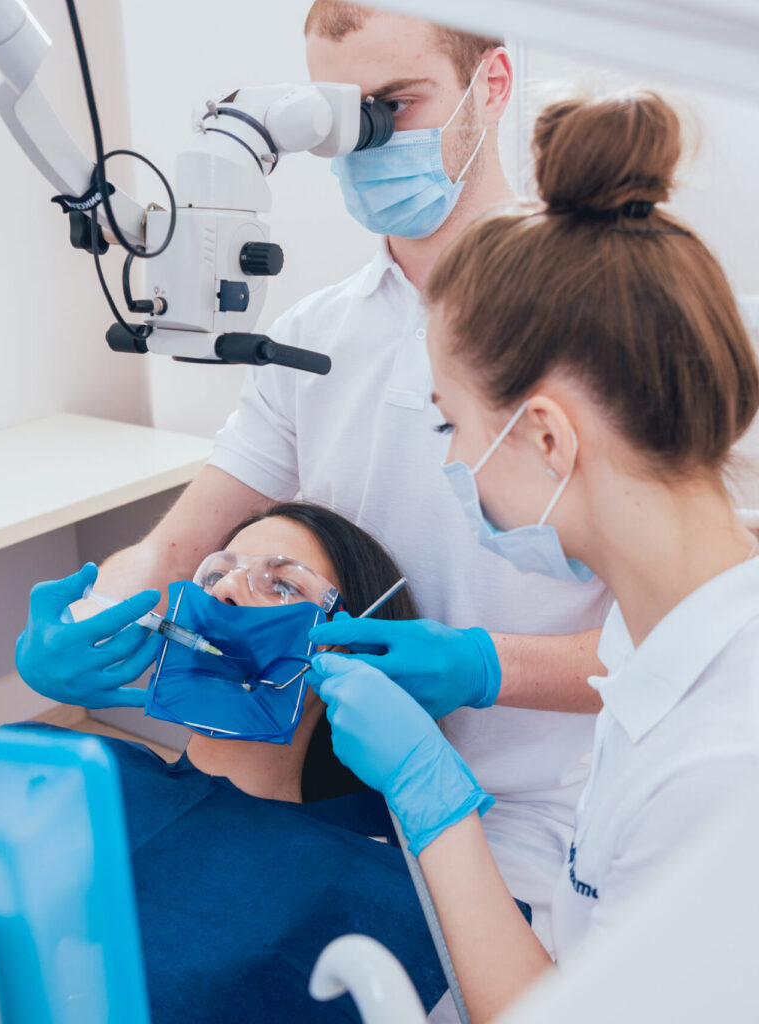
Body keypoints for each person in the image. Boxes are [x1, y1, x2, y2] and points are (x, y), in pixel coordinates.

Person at [16, 2, 612, 951]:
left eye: (396, 105)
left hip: (528, 825)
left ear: (490, 85)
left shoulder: (607, 322)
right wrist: (84, 626)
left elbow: (703, 635)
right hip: (333, 793)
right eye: (344, 117)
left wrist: (484, 667)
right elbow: (184, 540)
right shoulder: (313, 340)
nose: (367, 141)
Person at [306, 92, 759, 1021]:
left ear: (547, 438)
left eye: (452, 424)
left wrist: (432, 804)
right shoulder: (658, 638)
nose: (449, 461)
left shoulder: (721, 764)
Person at [13, 501, 450, 1023]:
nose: (221, 589)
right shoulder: (51, 764)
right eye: (216, 573)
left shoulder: (372, 890)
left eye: (283, 585)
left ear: (348, 653)